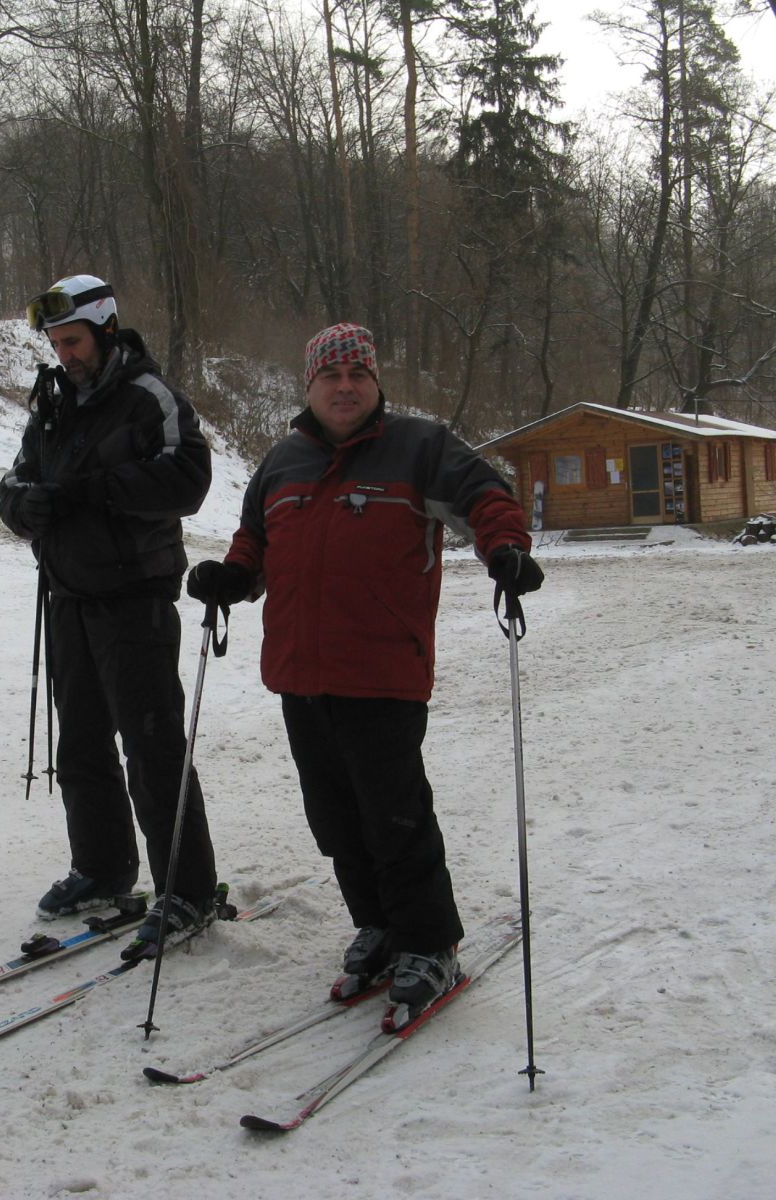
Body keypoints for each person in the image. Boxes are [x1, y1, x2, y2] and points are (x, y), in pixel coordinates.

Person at [186, 322, 544, 1012]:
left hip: (383, 670)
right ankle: (378, 926)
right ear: (310, 386)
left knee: (393, 816)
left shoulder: (420, 448)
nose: (345, 387)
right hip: (299, 673)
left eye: (358, 375)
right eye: (331, 376)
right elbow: (255, 539)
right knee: (335, 818)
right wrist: (232, 578)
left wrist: (504, 549)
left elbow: (487, 501)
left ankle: (430, 942)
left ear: (375, 383)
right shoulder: (283, 462)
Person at [0, 274, 219, 961]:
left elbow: (190, 479)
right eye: (56, 344)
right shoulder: (54, 407)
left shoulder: (149, 398)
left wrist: (96, 493)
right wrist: (23, 508)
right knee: (82, 745)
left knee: (152, 747)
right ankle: (102, 868)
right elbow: (12, 483)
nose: (65, 354)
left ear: (106, 331)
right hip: (67, 598)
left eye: (74, 340)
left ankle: (186, 890)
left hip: (135, 598)